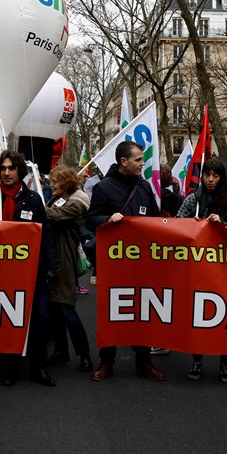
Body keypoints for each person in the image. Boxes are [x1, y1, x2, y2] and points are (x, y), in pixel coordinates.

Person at [85, 141, 165, 382]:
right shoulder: (104, 187)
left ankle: (144, 362)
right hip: (113, 265)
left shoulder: (144, 187)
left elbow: (154, 220)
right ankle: (106, 362)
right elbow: (90, 220)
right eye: (138, 160)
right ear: (124, 162)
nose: (143, 164)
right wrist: (107, 218)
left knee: (141, 312)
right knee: (111, 312)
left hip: (140, 264)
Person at [0, 150, 58, 387]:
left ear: (19, 171)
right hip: (2, 274)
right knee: (8, 321)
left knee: (40, 320)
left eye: (11, 168)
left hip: (33, 274)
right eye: (2, 168)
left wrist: (51, 265)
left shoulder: (33, 200)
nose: (6, 172)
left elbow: (46, 235)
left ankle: (38, 367)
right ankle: (11, 367)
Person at [176, 157, 227, 383]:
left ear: (222, 178)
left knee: (226, 316)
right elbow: (177, 227)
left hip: (226, 270)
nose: (210, 180)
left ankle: (225, 363)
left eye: (215, 176)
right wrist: (191, 225)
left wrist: (223, 227)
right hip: (198, 270)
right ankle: (197, 359)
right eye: (207, 175)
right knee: (199, 315)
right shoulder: (192, 200)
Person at [45, 166, 94, 373]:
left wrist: (33, 207)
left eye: (55, 181)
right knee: (55, 311)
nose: (51, 184)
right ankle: (61, 351)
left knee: (67, 310)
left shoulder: (75, 205)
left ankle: (85, 355)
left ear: (66, 183)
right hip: (52, 259)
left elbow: (52, 216)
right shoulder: (57, 199)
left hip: (64, 262)